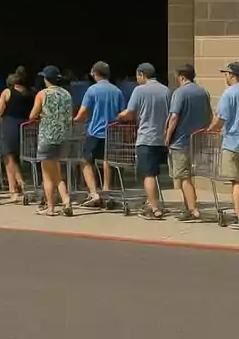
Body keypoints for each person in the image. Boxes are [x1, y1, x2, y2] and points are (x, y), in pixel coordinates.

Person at [207, 62, 239, 228]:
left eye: (226, 74)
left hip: (232, 143)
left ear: (233, 75)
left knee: (237, 182)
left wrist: (210, 130)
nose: (225, 77)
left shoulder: (229, 94)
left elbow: (221, 119)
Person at [118, 62, 170, 220]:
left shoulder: (139, 90)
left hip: (146, 138)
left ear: (142, 74)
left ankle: (154, 208)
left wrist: (119, 116)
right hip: (161, 138)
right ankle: (152, 201)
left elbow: (130, 112)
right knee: (155, 173)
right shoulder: (166, 90)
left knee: (148, 175)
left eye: (137, 76)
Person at [74, 61, 124, 208]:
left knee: (85, 161)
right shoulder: (117, 91)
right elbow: (121, 114)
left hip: (95, 132)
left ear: (95, 74)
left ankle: (94, 193)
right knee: (107, 160)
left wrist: (75, 120)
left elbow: (83, 112)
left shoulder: (92, 90)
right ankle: (107, 190)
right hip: (112, 132)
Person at [165, 64, 211, 222]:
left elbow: (174, 117)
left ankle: (193, 210)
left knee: (184, 177)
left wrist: (167, 137)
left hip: (181, 141)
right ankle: (189, 206)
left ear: (182, 77)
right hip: (198, 141)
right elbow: (209, 116)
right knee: (188, 175)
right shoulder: (203, 92)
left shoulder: (180, 93)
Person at [30, 66, 73, 217]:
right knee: (57, 173)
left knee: (47, 176)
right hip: (63, 138)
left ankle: (50, 208)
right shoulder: (66, 94)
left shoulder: (43, 94)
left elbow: (32, 115)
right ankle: (66, 200)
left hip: (47, 137)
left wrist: (40, 117)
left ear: (46, 79)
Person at [0, 70, 33, 203]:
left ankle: (18, 185)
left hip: (9, 125)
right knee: (14, 158)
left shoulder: (7, 92)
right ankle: (15, 188)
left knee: (8, 156)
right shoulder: (30, 94)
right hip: (25, 126)